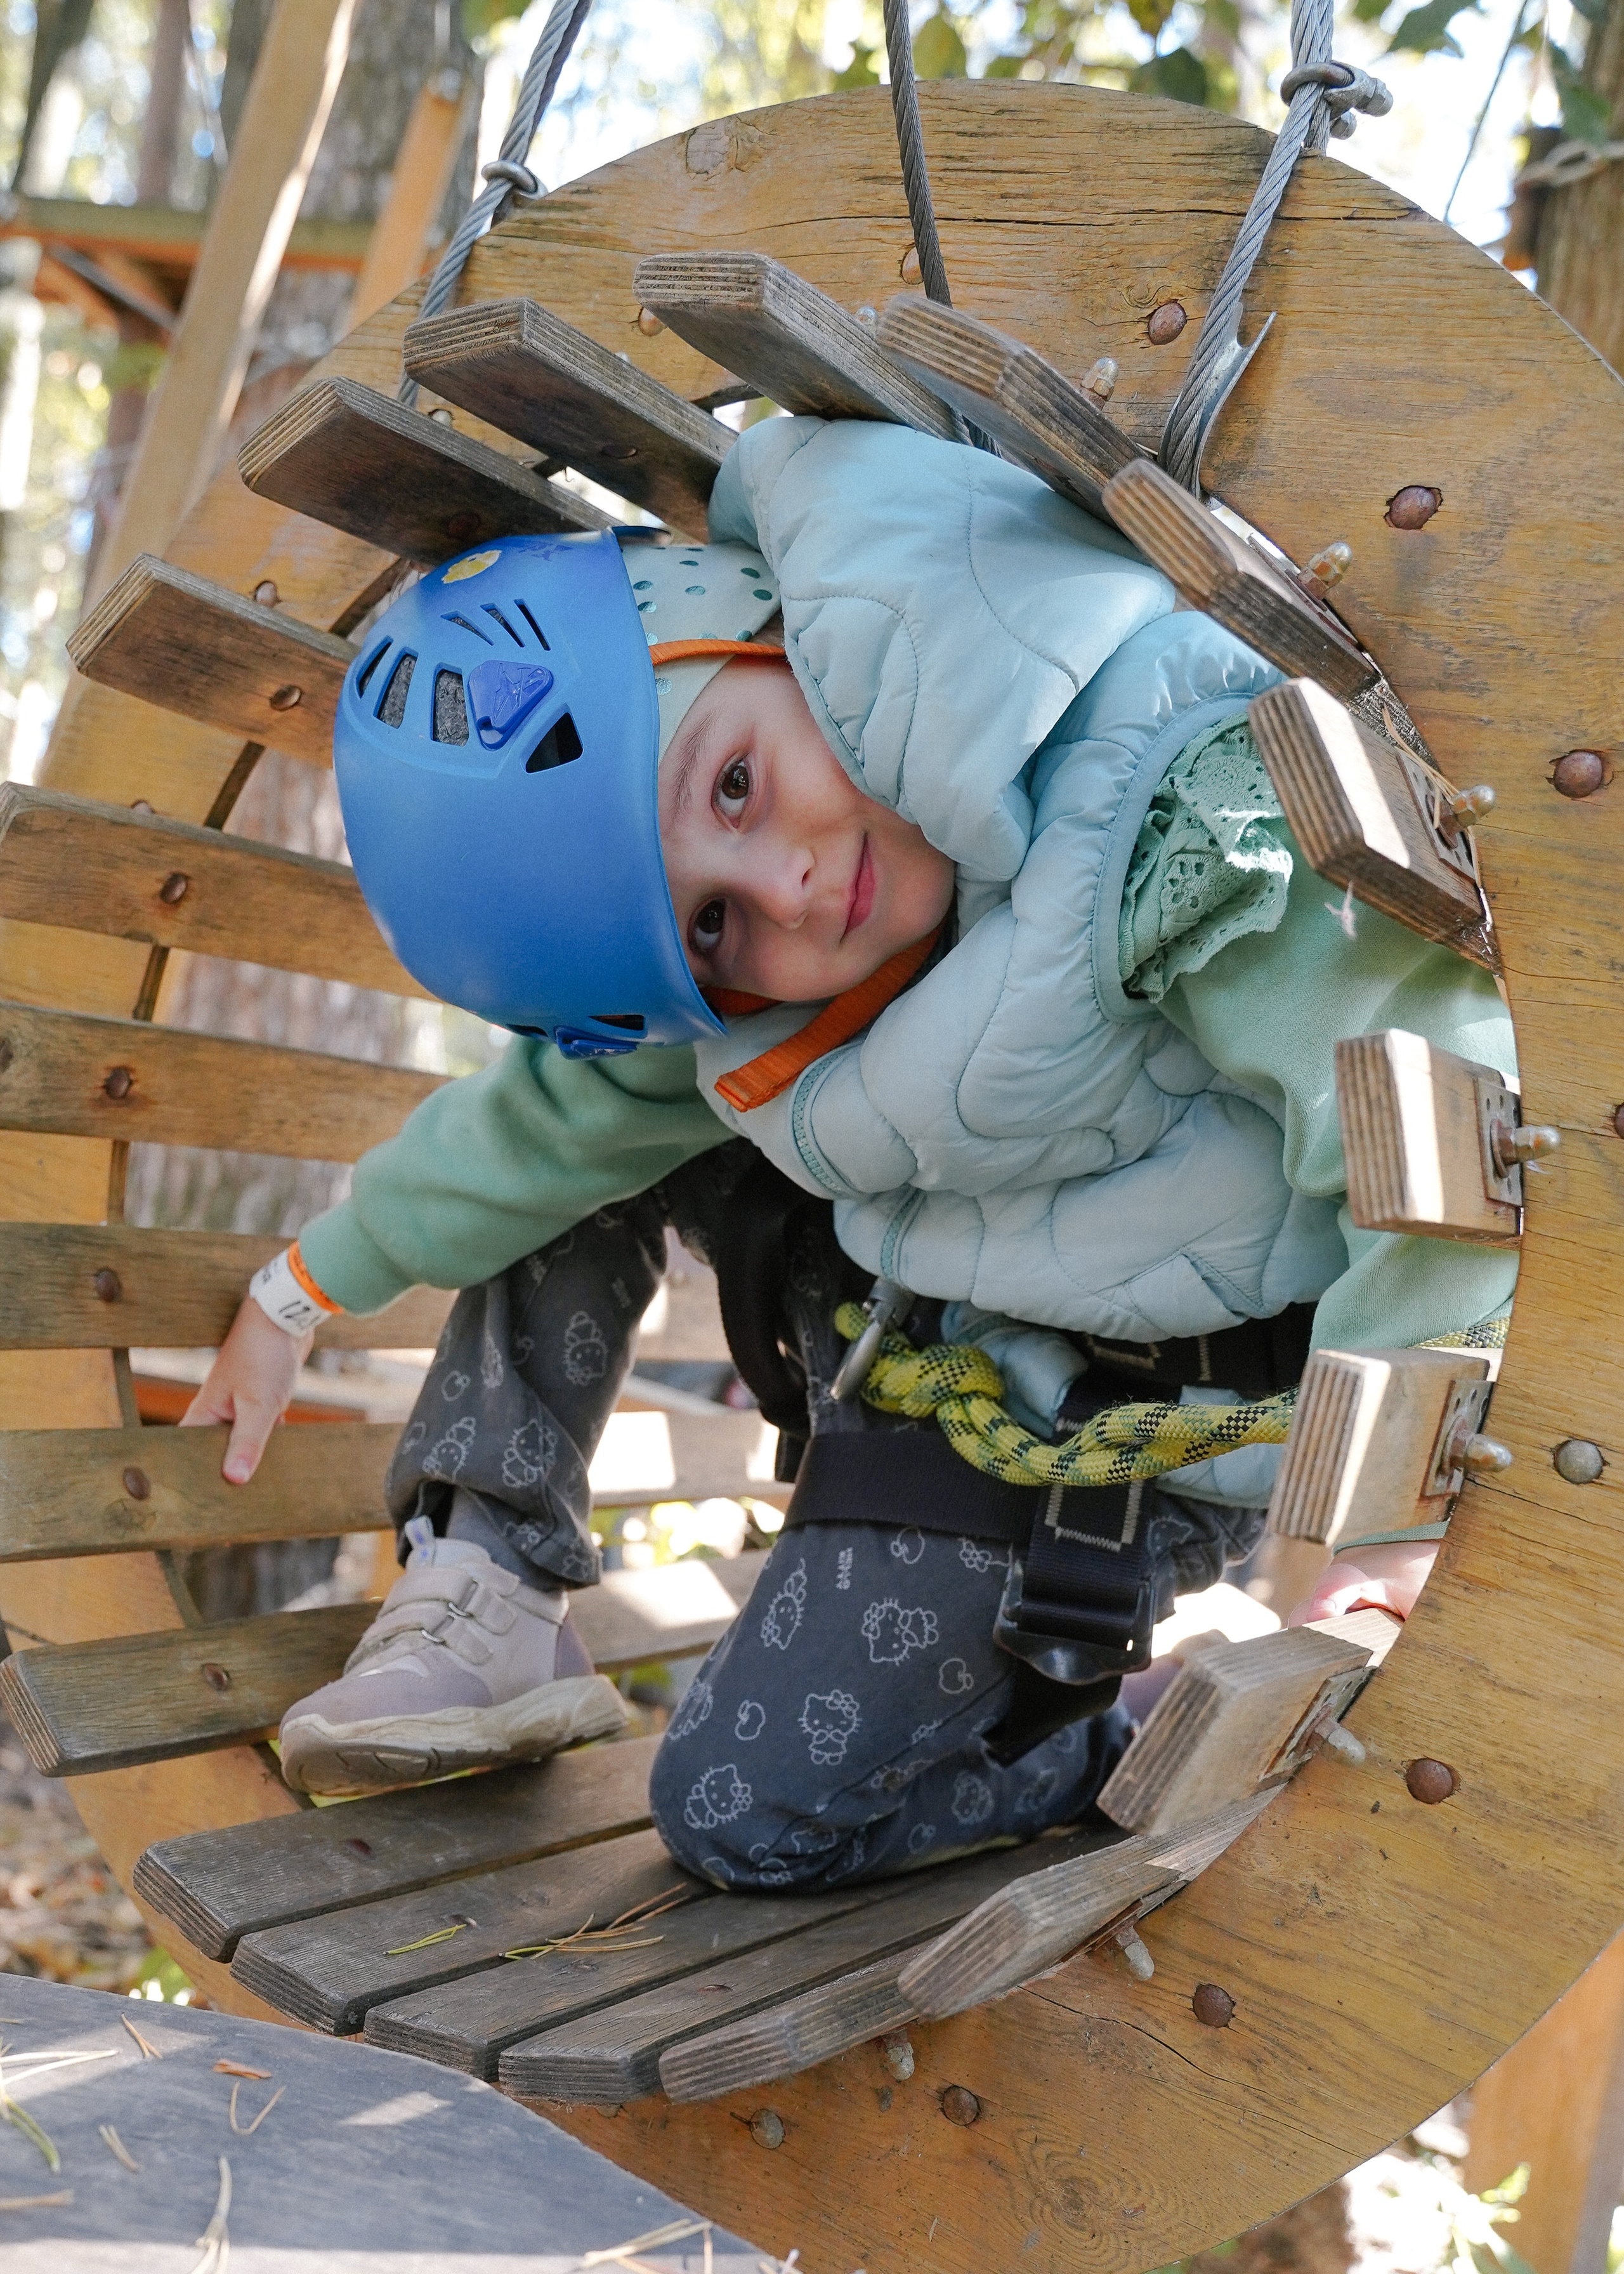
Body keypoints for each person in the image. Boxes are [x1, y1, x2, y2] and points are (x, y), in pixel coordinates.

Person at [183, 415, 1514, 1875]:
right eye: (712, 924)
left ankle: (1110, 1732)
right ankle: (490, 1581)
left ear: (764, 632)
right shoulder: (767, 996)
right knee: (601, 1108)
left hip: (1121, 1411)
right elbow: (552, 1121)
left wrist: (1389, 1525)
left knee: (742, 1819)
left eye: (736, 786)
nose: (794, 888)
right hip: (938, 1301)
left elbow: (1418, 1105)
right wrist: (300, 1289)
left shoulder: (1156, 810)